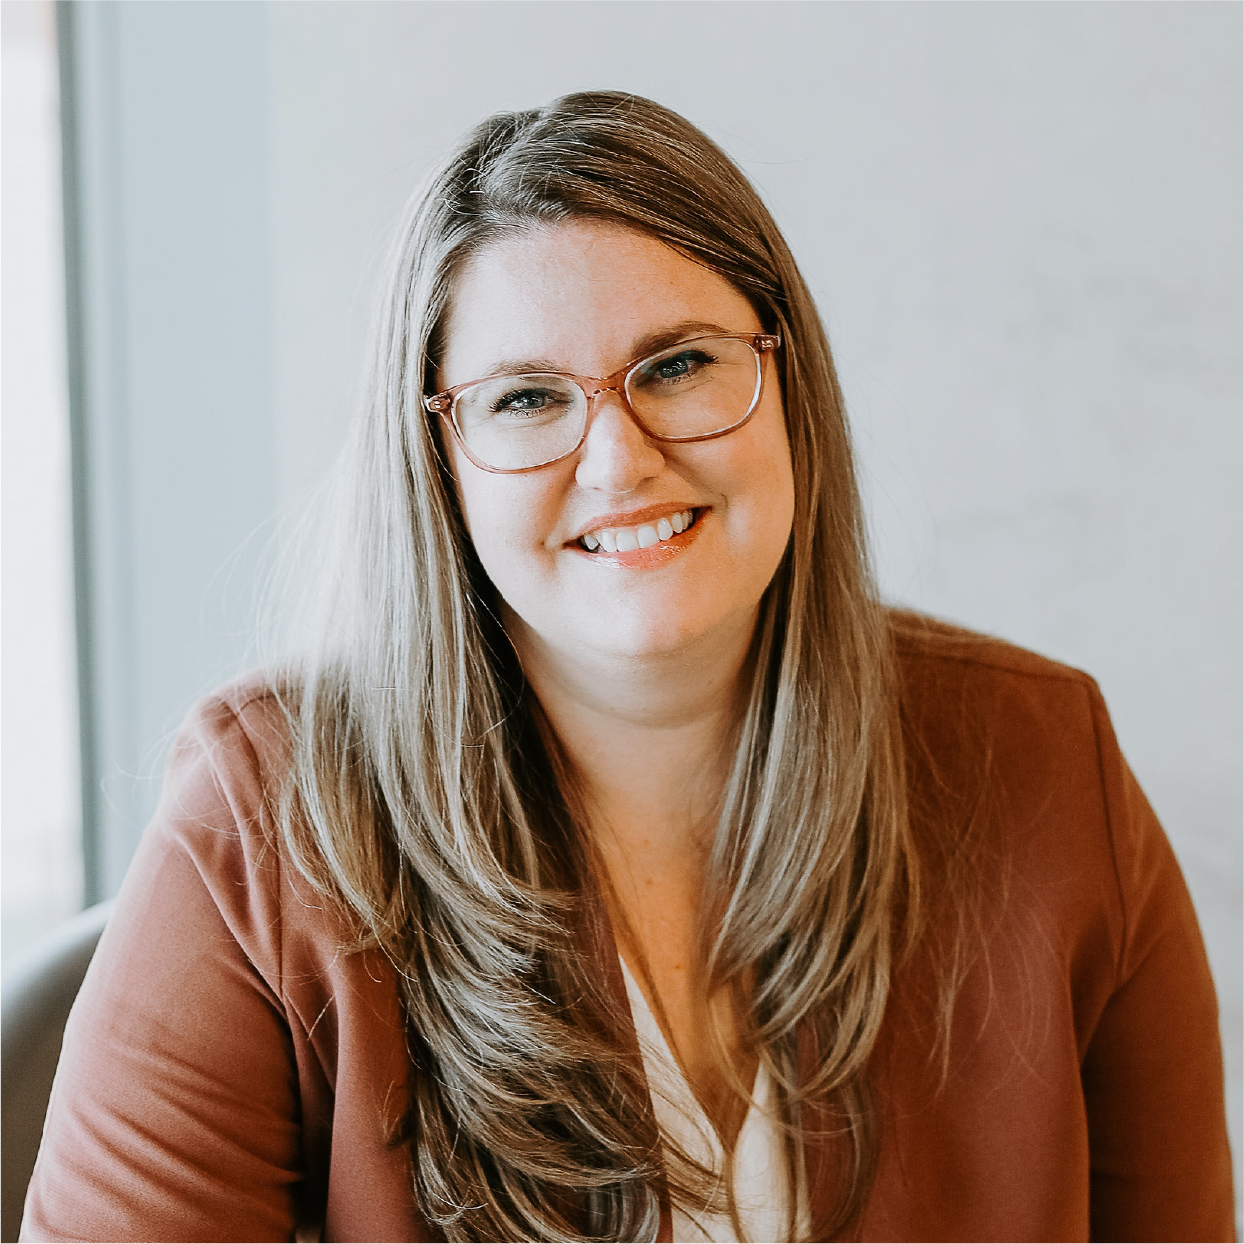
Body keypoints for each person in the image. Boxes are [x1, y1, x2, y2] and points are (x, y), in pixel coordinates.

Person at [21, 91, 1233, 1244]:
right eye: (526, 398)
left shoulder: (1043, 761)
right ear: (437, 461)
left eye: (677, 366)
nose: (616, 462)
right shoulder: (264, 823)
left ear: (787, 386)